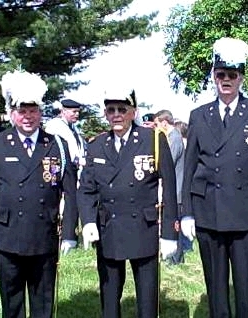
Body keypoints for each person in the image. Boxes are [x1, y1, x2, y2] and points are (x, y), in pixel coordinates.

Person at [180, 37, 248, 318]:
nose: (226, 80)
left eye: (232, 75)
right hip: (209, 213)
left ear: (241, 77)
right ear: (213, 76)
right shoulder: (199, 115)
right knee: (216, 291)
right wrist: (187, 212)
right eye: (221, 74)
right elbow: (189, 168)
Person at [0, 69, 78, 318]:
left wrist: (70, 232)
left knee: (43, 302)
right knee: (12, 303)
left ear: (40, 113)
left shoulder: (56, 145)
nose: (28, 117)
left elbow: (71, 193)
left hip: (44, 237)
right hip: (8, 237)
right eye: (22, 111)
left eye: (33, 111)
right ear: (12, 113)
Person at [77, 87, 178, 318]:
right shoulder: (96, 145)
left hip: (143, 229)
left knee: (147, 302)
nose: (116, 115)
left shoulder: (152, 139)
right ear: (105, 114)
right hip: (109, 230)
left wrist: (170, 234)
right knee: (110, 299)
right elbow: (86, 189)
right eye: (111, 110)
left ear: (133, 112)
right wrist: (89, 221)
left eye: (122, 109)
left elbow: (170, 188)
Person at [44, 98, 86, 254]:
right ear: (63, 111)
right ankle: (62, 234)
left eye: (78, 112)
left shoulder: (72, 128)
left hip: (72, 168)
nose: (76, 115)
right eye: (73, 112)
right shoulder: (55, 126)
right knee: (58, 197)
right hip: (57, 166)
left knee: (72, 199)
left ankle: (69, 235)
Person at [154, 109, 187, 264]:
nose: (155, 128)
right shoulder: (172, 137)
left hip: (177, 190)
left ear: (164, 123)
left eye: (157, 124)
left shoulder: (174, 138)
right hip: (175, 188)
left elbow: (167, 162)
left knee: (176, 225)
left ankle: (176, 258)